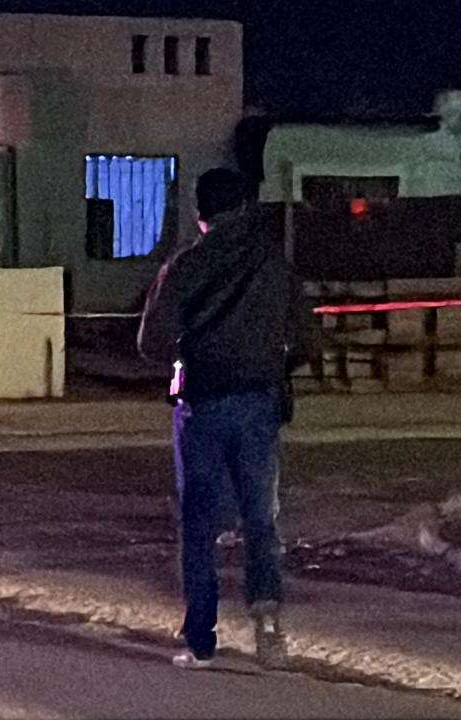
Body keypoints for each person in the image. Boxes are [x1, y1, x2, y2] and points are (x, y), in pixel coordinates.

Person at [138, 167, 311, 670]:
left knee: (199, 520)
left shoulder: (186, 265)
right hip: (259, 402)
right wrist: (271, 366)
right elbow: (306, 339)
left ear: (201, 214)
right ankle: (268, 622)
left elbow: (151, 341)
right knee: (260, 516)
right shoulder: (273, 264)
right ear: (245, 208)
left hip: (203, 405)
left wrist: (185, 356)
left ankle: (201, 638)